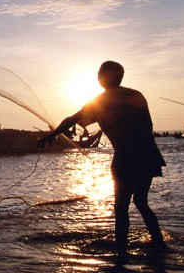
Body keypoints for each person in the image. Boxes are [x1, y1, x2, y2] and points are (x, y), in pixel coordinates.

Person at [38, 61, 166, 260]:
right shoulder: (135, 95)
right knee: (141, 201)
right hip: (147, 155)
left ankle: (121, 255)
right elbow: (147, 126)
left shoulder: (100, 102)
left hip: (126, 158)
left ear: (105, 77)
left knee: (121, 208)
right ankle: (158, 244)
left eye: (100, 73)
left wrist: (52, 135)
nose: (98, 76)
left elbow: (72, 119)